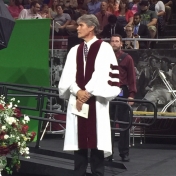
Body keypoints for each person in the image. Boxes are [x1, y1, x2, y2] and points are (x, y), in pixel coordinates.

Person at [58, 14, 121, 176]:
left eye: (81, 25)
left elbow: (105, 74)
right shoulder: (74, 50)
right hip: (77, 99)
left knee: (96, 144)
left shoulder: (105, 48)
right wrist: (77, 91)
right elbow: (67, 76)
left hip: (97, 101)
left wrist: (87, 92)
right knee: (79, 145)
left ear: (91, 27)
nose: (77, 28)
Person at [109, 34, 137, 162]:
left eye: (117, 41)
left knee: (124, 124)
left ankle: (124, 152)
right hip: (108, 92)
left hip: (122, 92)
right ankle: (107, 152)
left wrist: (131, 95)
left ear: (121, 44)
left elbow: (132, 78)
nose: (114, 43)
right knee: (107, 124)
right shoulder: (105, 57)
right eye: (112, 41)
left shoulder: (127, 58)